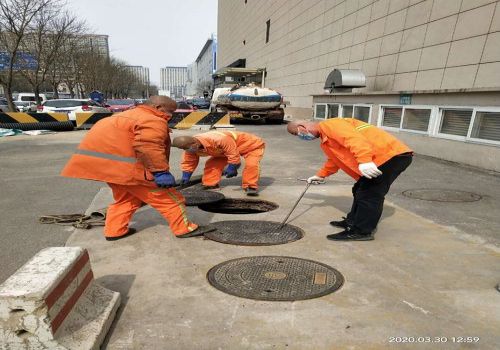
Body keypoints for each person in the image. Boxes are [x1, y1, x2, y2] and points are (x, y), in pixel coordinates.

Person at [61, 96, 213, 240]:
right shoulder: (152, 120)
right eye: (170, 112)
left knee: (125, 199)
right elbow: (149, 146)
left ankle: (115, 231)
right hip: (130, 171)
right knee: (171, 199)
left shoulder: (122, 116)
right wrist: (160, 172)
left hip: (107, 170)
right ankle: (184, 229)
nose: (171, 116)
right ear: (158, 107)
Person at [287, 118, 413, 241]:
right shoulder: (326, 139)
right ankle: (352, 221)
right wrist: (321, 175)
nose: (299, 137)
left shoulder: (330, 125)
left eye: (295, 133)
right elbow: (335, 160)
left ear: (302, 127)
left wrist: (364, 161)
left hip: (390, 155)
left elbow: (355, 140)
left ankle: (361, 231)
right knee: (358, 189)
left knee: (369, 193)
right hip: (382, 158)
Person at [171, 130, 265, 196]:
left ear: (194, 143)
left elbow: (232, 153)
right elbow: (189, 162)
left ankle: (250, 186)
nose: (185, 150)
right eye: (183, 149)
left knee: (251, 165)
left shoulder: (219, 139)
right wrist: (186, 175)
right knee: (212, 164)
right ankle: (210, 185)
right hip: (224, 151)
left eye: (186, 148)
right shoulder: (191, 148)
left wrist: (232, 167)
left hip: (251, 145)